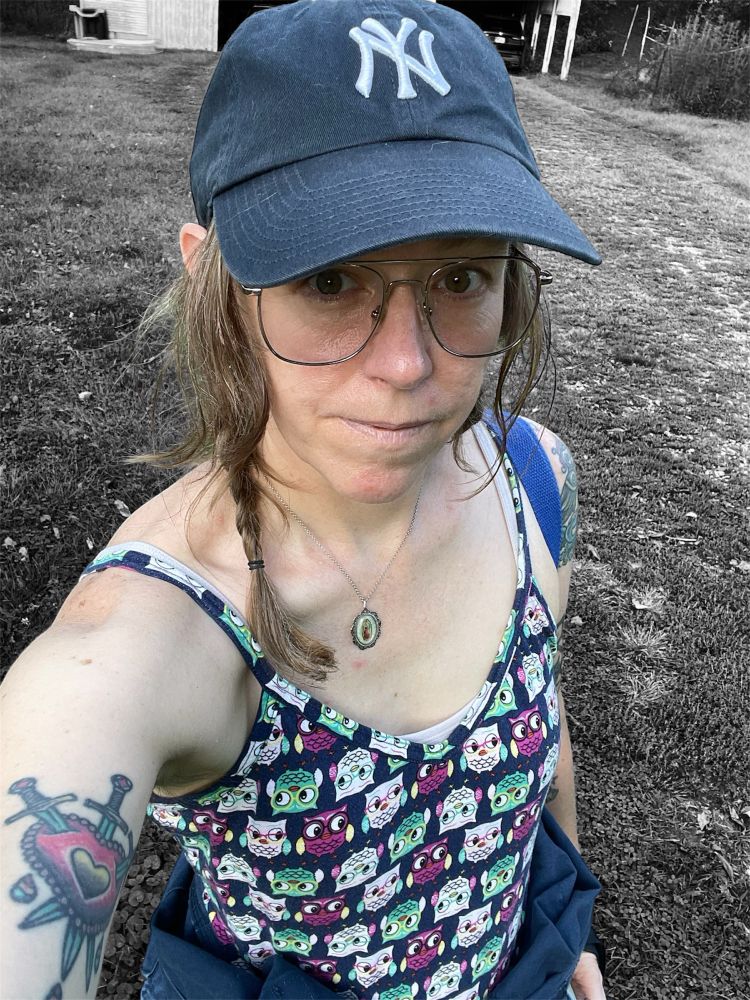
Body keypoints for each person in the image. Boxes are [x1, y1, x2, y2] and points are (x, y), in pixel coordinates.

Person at [0, 1, 608, 997]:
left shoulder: (535, 479)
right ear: (214, 278)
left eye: (461, 274)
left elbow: (542, 709)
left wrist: (564, 917)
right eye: (329, 279)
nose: (407, 365)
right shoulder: (147, 644)